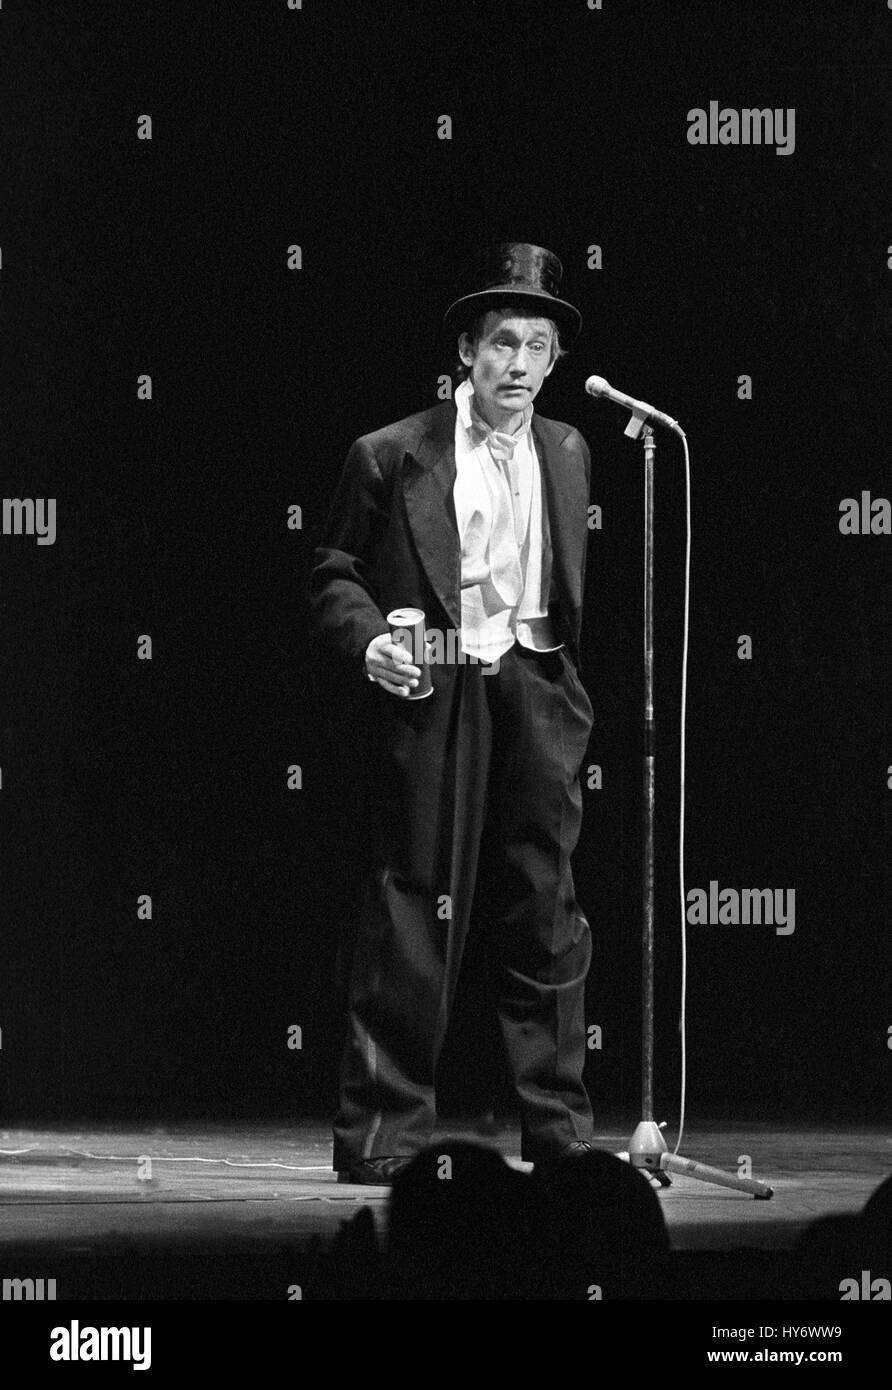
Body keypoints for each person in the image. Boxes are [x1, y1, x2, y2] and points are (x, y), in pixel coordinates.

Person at [309, 243, 597, 1183]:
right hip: (439, 686)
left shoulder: (569, 448)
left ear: (555, 361)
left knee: (547, 909)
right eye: (504, 342)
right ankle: (388, 1134)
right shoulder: (393, 454)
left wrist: (556, 694)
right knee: (413, 908)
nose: (520, 363)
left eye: (538, 345)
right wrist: (369, 643)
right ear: (468, 351)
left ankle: (559, 1136)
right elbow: (335, 573)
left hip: (535, 684)